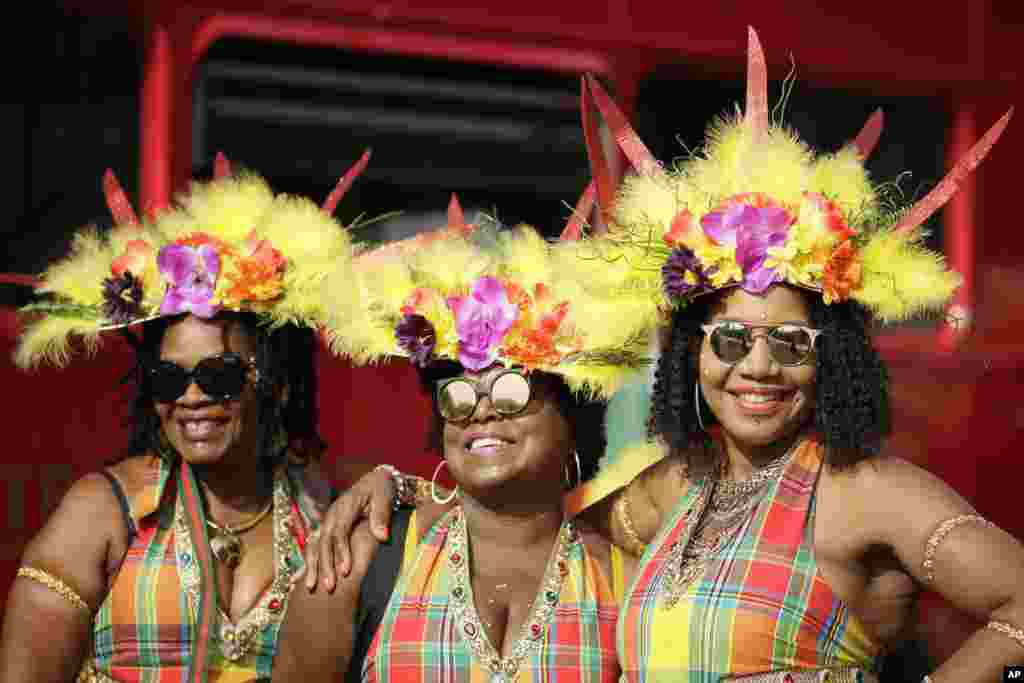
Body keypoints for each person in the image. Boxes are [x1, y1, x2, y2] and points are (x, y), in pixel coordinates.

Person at [307, 29, 1023, 683]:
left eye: (790, 342)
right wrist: (403, 492)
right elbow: (529, 515)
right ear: (694, 352)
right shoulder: (678, 486)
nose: (759, 367)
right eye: (732, 339)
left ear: (829, 357)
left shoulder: (863, 489)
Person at [0, 154, 374, 682]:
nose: (192, 398)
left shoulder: (319, 515)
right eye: (169, 380)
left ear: (277, 384)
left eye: (219, 376)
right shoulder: (107, 511)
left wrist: (390, 485)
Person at [274, 216, 657, 682]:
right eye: (457, 395)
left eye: (511, 390)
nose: (481, 412)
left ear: (573, 419)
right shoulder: (358, 562)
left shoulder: (627, 589)